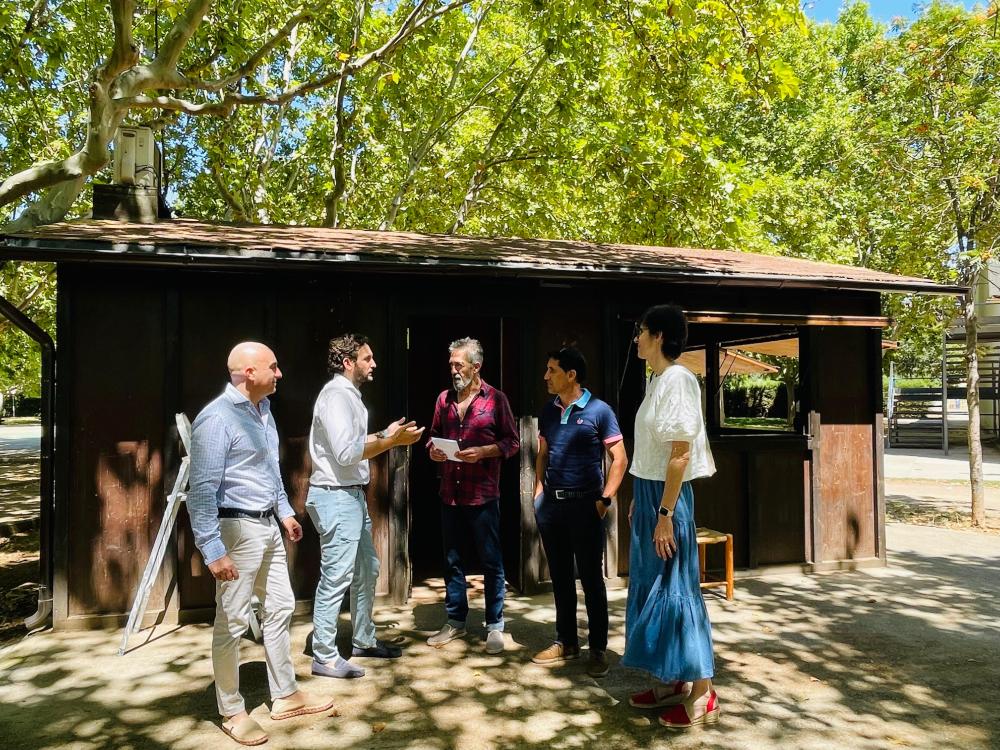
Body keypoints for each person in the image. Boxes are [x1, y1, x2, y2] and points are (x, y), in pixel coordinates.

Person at [188, 342, 333, 747]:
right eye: (273, 366)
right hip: (235, 529)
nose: (280, 373)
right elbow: (200, 491)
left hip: (267, 525)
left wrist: (284, 511)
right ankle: (232, 709)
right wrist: (212, 550)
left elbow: (268, 470)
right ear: (249, 373)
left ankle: (285, 695)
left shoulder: (263, 411)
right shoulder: (215, 419)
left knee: (282, 607)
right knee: (232, 621)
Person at [623, 305, 721, 729]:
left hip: (668, 500)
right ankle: (674, 681)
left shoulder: (678, 379)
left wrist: (663, 513)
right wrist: (639, 499)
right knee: (653, 587)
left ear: (659, 335)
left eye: (641, 331)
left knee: (677, 589)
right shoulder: (657, 379)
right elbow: (654, 452)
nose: (636, 339)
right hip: (650, 493)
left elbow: (680, 453)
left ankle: (703, 692)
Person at [307, 333, 424, 679]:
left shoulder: (348, 397)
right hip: (335, 495)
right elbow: (345, 454)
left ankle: (363, 640)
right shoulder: (336, 397)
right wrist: (391, 441)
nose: (373, 364)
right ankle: (325, 656)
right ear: (348, 363)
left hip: (350, 496)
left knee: (368, 569)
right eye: (367, 358)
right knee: (336, 577)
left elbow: (353, 443)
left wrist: (384, 434)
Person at [531, 347, 628, 678]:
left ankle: (598, 649)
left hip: (587, 506)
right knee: (559, 577)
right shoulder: (547, 411)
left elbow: (620, 458)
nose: (546, 376)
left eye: (552, 370)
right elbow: (542, 453)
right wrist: (538, 492)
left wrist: (605, 499)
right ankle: (566, 641)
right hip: (552, 507)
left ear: (570, 375)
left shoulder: (600, 411)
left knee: (591, 579)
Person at [426, 337, 520, 654]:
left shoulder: (496, 400)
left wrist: (484, 452)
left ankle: (495, 625)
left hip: (482, 495)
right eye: (451, 364)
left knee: (491, 561)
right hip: (450, 494)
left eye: (458, 365)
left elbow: (512, 443)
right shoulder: (443, 401)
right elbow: (432, 438)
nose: (453, 370)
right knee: (452, 560)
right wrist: (434, 452)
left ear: (475, 366)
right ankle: (455, 622)